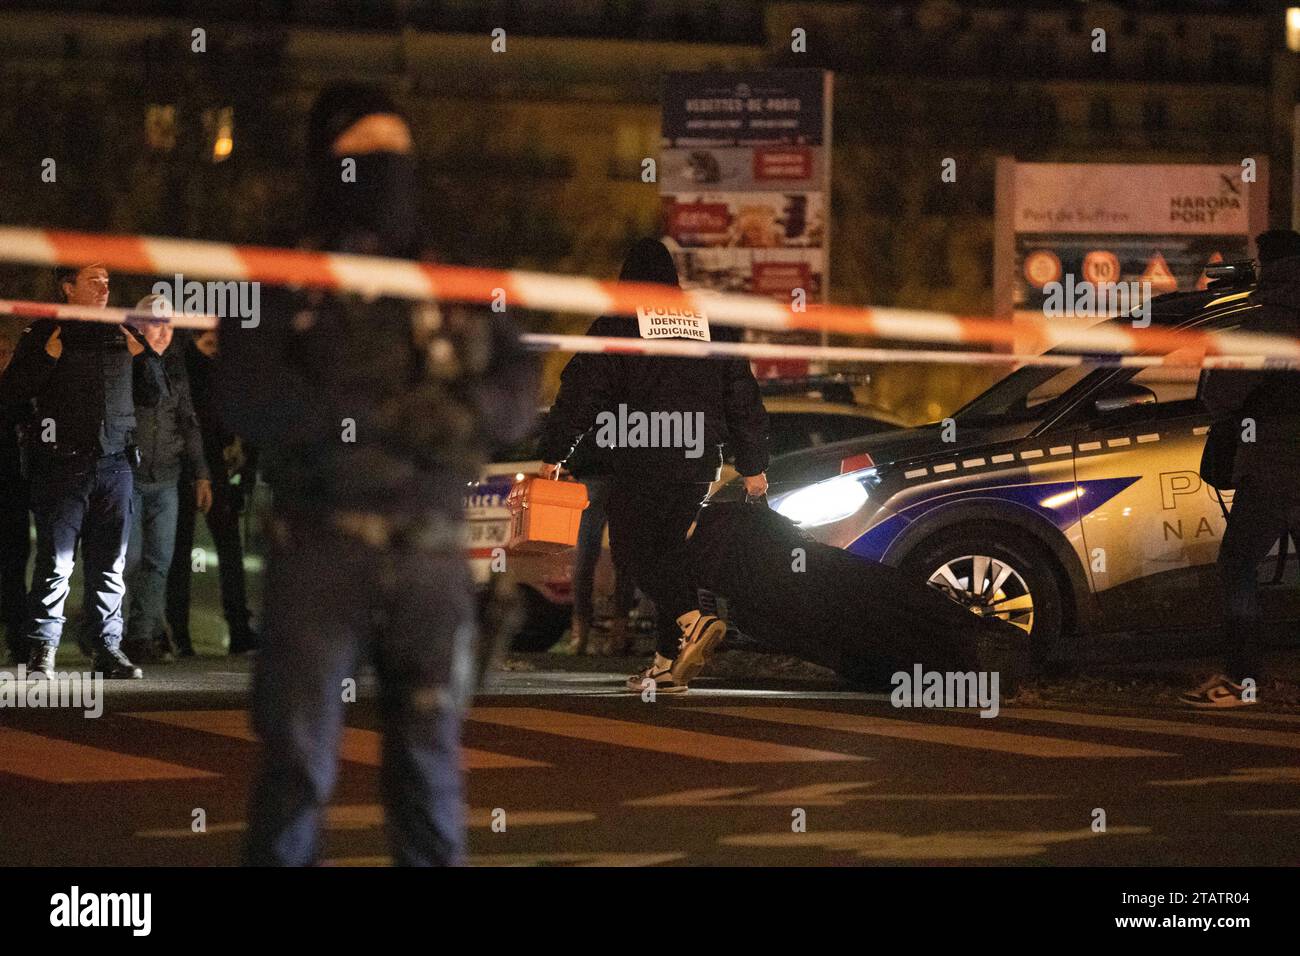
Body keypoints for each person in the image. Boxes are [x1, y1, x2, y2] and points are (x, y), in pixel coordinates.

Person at [218, 84, 537, 866]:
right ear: (327, 162)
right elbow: (245, 393)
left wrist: (463, 420)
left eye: (397, 152)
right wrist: (361, 416)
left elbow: (520, 383)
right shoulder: (281, 270)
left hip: (430, 555)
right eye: (365, 153)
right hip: (321, 548)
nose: (385, 172)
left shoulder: (449, 271)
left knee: (429, 771)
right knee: (296, 765)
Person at [538, 238, 770, 693]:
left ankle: (693, 621)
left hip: (640, 456)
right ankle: (667, 664)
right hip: (694, 462)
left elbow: (582, 391)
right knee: (669, 555)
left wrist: (555, 452)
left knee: (632, 551)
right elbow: (742, 395)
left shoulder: (620, 325)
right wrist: (754, 464)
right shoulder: (710, 326)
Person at [0, 264, 165, 679]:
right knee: (56, 564)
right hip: (61, 466)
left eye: (108, 280)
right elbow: (11, 395)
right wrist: (46, 361)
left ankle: (108, 648)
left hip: (115, 465)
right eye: (93, 280)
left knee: (111, 564)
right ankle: (42, 650)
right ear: (68, 288)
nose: (104, 287)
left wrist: (142, 356)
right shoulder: (44, 333)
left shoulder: (125, 331)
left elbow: (155, 395)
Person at [1184, 229, 1300, 708]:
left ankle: (1243, 678)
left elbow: (1220, 397)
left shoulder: (1262, 323)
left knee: (1238, 563)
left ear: (1269, 267)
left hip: (1275, 463)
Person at [122, 295, 211, 663]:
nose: (163, 332)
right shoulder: (124, 362)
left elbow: (188, 420)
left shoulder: (176, 366)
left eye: (169, 324)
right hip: (129, 475)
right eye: (156, 323)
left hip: (167, 477)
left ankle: (141, 637)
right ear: (138, 325)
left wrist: (202, 473)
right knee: (129, 559)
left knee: (159, 559)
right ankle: (117, 632)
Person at [166, 327, 258, 656]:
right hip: (187, 466)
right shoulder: (185, 368)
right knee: (181, 551)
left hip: (215, 465)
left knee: (228, 549)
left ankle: (236, 628)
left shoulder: (222, 369)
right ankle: (178, 632)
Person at [559, 429, 635, 655]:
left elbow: (573, 422)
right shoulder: (632, 395)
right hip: (625, 479)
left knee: (586, 555)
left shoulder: (591, 395)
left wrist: (571, 463)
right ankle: (618, 634)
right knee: (624, 559)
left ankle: (579, 635)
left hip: (591, 477)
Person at [0, 330, 31, 665]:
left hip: (13, 489)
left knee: (14, 564)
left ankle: (17, 638)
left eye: (7, 350)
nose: (3, 357)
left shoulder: (20, 389)